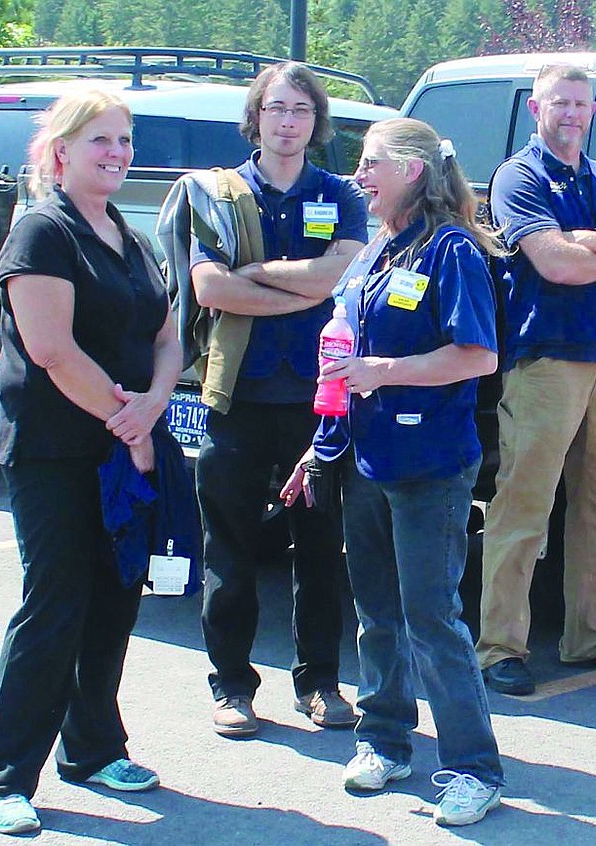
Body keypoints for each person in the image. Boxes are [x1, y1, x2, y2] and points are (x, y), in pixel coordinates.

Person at [281, 117, 505, 827]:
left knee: (431, 617)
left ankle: (474, 768)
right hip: (365, 462)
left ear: (412, 169)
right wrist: (320, 445)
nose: (359, 176)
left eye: (372, 162)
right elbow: (342, 360)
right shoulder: (377, 250)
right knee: (376, 613)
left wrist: (386, 372)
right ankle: (384, 740)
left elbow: (477, 357)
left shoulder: (451, 251)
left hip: (429, 465)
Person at [0, 88, 182, 836]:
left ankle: (93, 751)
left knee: (113, 603)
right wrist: (129, 421)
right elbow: (52, 350)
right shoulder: (41, 232)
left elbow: (168, 334)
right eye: (102, 141)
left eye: (124, 140)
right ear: (60, 152)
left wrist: (154, 403)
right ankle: (4, 779)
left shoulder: (130, 234)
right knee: (55, 606)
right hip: (56, 452)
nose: (117, 153)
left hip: (123, 445)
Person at [478, 63, 596, 696]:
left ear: (593, 111)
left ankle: (595, 637)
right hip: (546, 359)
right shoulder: (519, 176)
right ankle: (500, 647)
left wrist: (589, 239)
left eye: (580, 103)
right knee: (524, 504)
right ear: (536, 109)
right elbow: (553, 265)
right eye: (558, 102)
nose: (570, 113)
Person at [190, 62, 367, 738]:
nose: (288, 121)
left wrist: (258, 275)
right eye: (276, 109)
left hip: (316, 405)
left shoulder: (340, 195)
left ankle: (319, 685)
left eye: (300, 110)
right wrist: (304, 288)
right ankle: (232, 688)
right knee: (229, 553)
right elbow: (210, 290)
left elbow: (337, 276)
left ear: (315, 122)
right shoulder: (219, 194)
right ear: (256, 117)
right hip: (237, 397)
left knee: (320, 551)